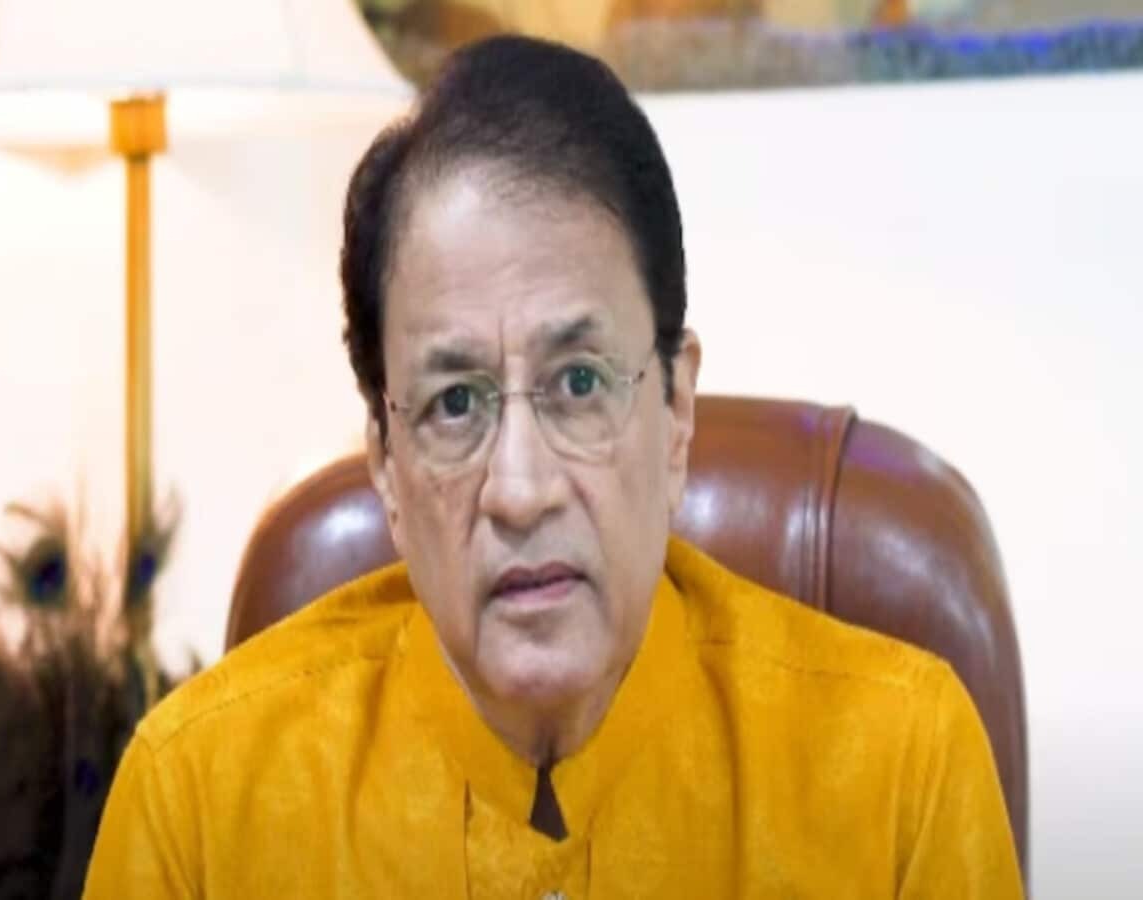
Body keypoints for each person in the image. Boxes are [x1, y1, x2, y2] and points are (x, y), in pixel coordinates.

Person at [83, 35, 1023, 899]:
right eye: (456, 403)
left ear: (675, 411)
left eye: (579, 383)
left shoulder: (900, 772)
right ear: (385, 466)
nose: (522, 491)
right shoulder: (198, 802)